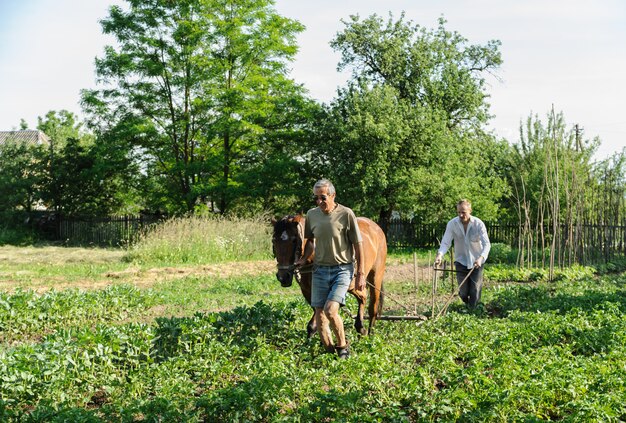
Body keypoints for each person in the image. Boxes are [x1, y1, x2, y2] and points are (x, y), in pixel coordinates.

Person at [295, 178, 365, 359]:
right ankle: (328, 350)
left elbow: (358, 244)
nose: (319, 202)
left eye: (323, 197)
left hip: (342, 269)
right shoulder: (312, 215)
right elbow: (310, 241)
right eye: (316, 198)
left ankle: (342, 347)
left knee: (331, 310)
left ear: (333, 195)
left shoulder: (346, 214)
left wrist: (361, 274)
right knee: (318, 313)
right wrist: (303, 259)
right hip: (320, 270)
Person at [434, 199, 491, 308]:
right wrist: (440, 255)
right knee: (463, 292)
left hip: (476, 262)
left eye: (463, 212)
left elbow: (487, 244)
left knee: (475, 290)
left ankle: (473, 312)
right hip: (461, 261)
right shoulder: (452, 224)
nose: (460, 215)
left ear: (470, 210)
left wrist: (481, 258)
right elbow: (446, 242)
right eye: (459, 212)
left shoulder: (478, 224)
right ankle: (466, 304)